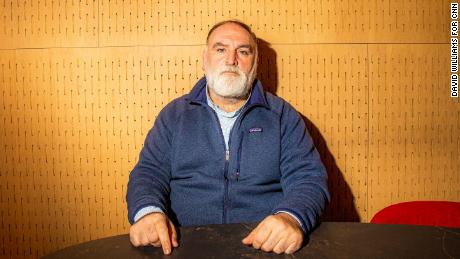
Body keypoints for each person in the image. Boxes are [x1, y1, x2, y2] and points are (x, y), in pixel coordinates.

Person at [126, 20, 330, 255]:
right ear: (205, 58)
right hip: (183, 244)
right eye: (220, 49)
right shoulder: (174, 115)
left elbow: (309, 179)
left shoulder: (282, 115)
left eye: (243, 52)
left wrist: (291, 217)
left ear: (255, 63)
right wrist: (148, 212)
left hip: (264, 247)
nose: (231, 60)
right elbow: (148, 172)